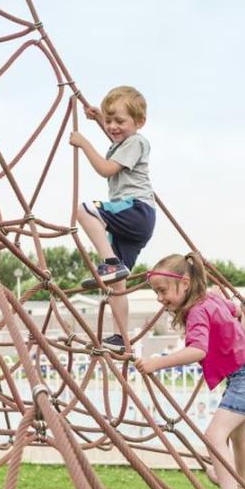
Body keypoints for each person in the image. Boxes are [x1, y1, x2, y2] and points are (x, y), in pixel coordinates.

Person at [135, 253, 245, 489]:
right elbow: (235, 309)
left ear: (185, 283)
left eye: (162, 291)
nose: (160, 298)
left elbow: (197, 350)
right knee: (237, 434)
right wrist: (222, 298)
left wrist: (157, 362)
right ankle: (240, 485)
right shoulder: (209, 299)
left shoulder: (198, 310)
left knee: (214, 436)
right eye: (156, 293)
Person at [69, 86, 156, 353]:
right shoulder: (124, 141)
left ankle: (108, 262)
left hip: (135, 209)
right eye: (110, 121)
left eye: (119, 121)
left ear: (139, 122)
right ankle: (121, 338)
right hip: (133, 219)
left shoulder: (136, 142)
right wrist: (98, 119)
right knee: (118, 283)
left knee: (84, 209)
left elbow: (106, 169)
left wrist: (84, 143)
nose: (113, 127)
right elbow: (115, 135)